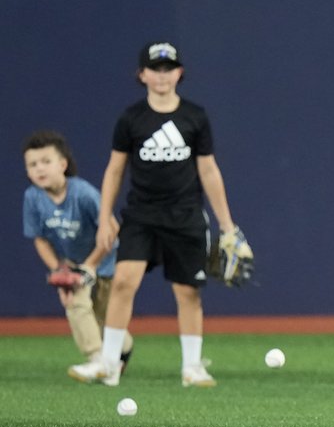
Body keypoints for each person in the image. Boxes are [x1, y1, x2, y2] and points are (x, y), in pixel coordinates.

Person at [68, 42, 242, 388]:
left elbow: (208, 171)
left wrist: (227, 226)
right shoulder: (131, 118)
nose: (162, 76)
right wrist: (105, 218)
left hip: (185, 216)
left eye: (168, 68)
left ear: (179, 73)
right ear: (142, 75)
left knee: (188, 292)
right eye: (155, 69)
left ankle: (192, 367)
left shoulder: (195, 116)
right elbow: (115, 170)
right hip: (141, 216)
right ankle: (108, 363)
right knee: (122, 283)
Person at [22, 131, 133, 374]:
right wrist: (58, 268)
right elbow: (40, 239)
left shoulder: (83, 194)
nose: (39, 169)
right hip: (72, 263)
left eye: (46, 161)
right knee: (76, 303)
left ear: (63, 164)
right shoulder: (32, 198)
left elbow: (112, 230)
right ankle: (97, 359)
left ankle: (124, 347)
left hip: (104, 260)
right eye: (32, 164)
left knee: (106, 317)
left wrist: (90, 265)